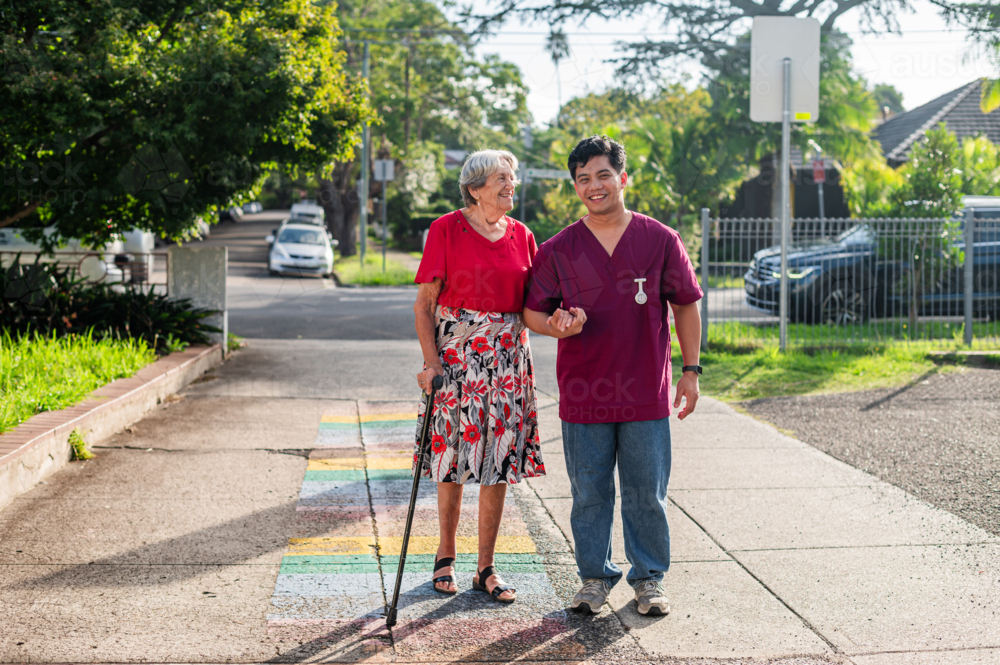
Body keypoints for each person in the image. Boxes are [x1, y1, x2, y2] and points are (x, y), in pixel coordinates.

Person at [523, 135, 703, 617]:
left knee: (647, 492)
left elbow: (686, 304)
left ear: (623, 177)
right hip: (584, 392)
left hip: (645, 389)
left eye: (603, 175)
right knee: (590, 492)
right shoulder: (560, 249)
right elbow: (531, 314)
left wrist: (691, 371)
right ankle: (594, 578)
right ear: (575, 187)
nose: (594, 186)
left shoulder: (659, 239)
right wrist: (556, 326)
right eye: (583, 179)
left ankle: (649, 579)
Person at [412, 149, 545, 604]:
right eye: (501, 179)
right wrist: (431, 362)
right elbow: (425, 306)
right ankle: (445, 554)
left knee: (499, 460)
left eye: (512, 178)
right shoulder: (445, 229)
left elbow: (533, 306)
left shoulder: (524, 235)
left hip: (508, 363)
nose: (511, 186)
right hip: (456, 361)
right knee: (451, 458)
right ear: (475, 188)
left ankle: (485, 566)